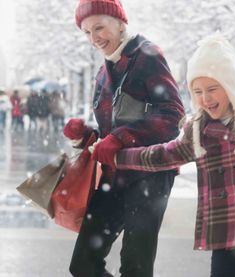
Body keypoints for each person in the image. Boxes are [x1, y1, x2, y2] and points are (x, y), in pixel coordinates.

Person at [111, 34, 235, 277]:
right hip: (227, 233)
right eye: (198, 91)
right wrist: (118, 157)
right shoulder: (198, 131)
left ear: (230, 86)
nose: (205, 98)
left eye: (212, 89)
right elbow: (161, 155)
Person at [62, 0, 185, 276]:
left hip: (150, 174)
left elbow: (172, 115)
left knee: (136, 267)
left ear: (120, 24)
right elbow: (107, 133)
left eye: (99, 27)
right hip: (113, 177)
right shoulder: (102, 73)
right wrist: (84, 136)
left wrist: (120, 137)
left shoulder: (147, 55)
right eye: (86, 32)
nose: (94, 38)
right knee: (82, 264)